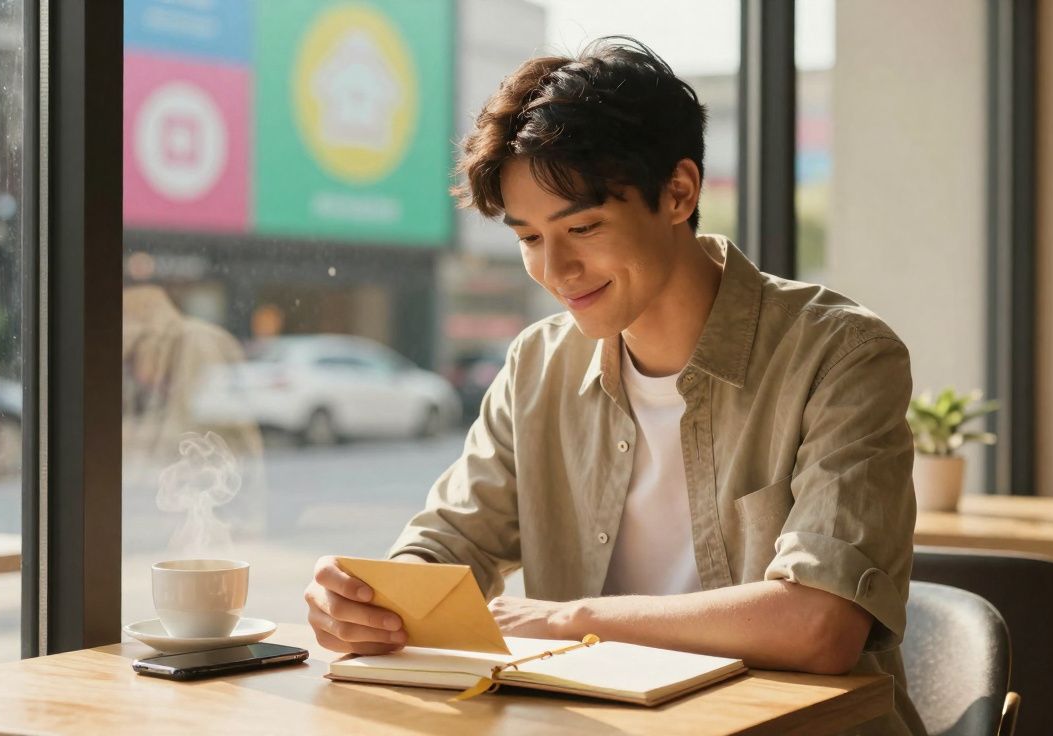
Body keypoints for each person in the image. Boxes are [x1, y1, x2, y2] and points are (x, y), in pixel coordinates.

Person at [304, 37, 923, 734]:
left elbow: (821, 622)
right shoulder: (538, 365)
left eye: (583, 227)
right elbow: (452, 542)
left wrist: (572, 621)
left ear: (679, 194)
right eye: (530, 238)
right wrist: (371, 596)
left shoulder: (840, 354)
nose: (557, 270)